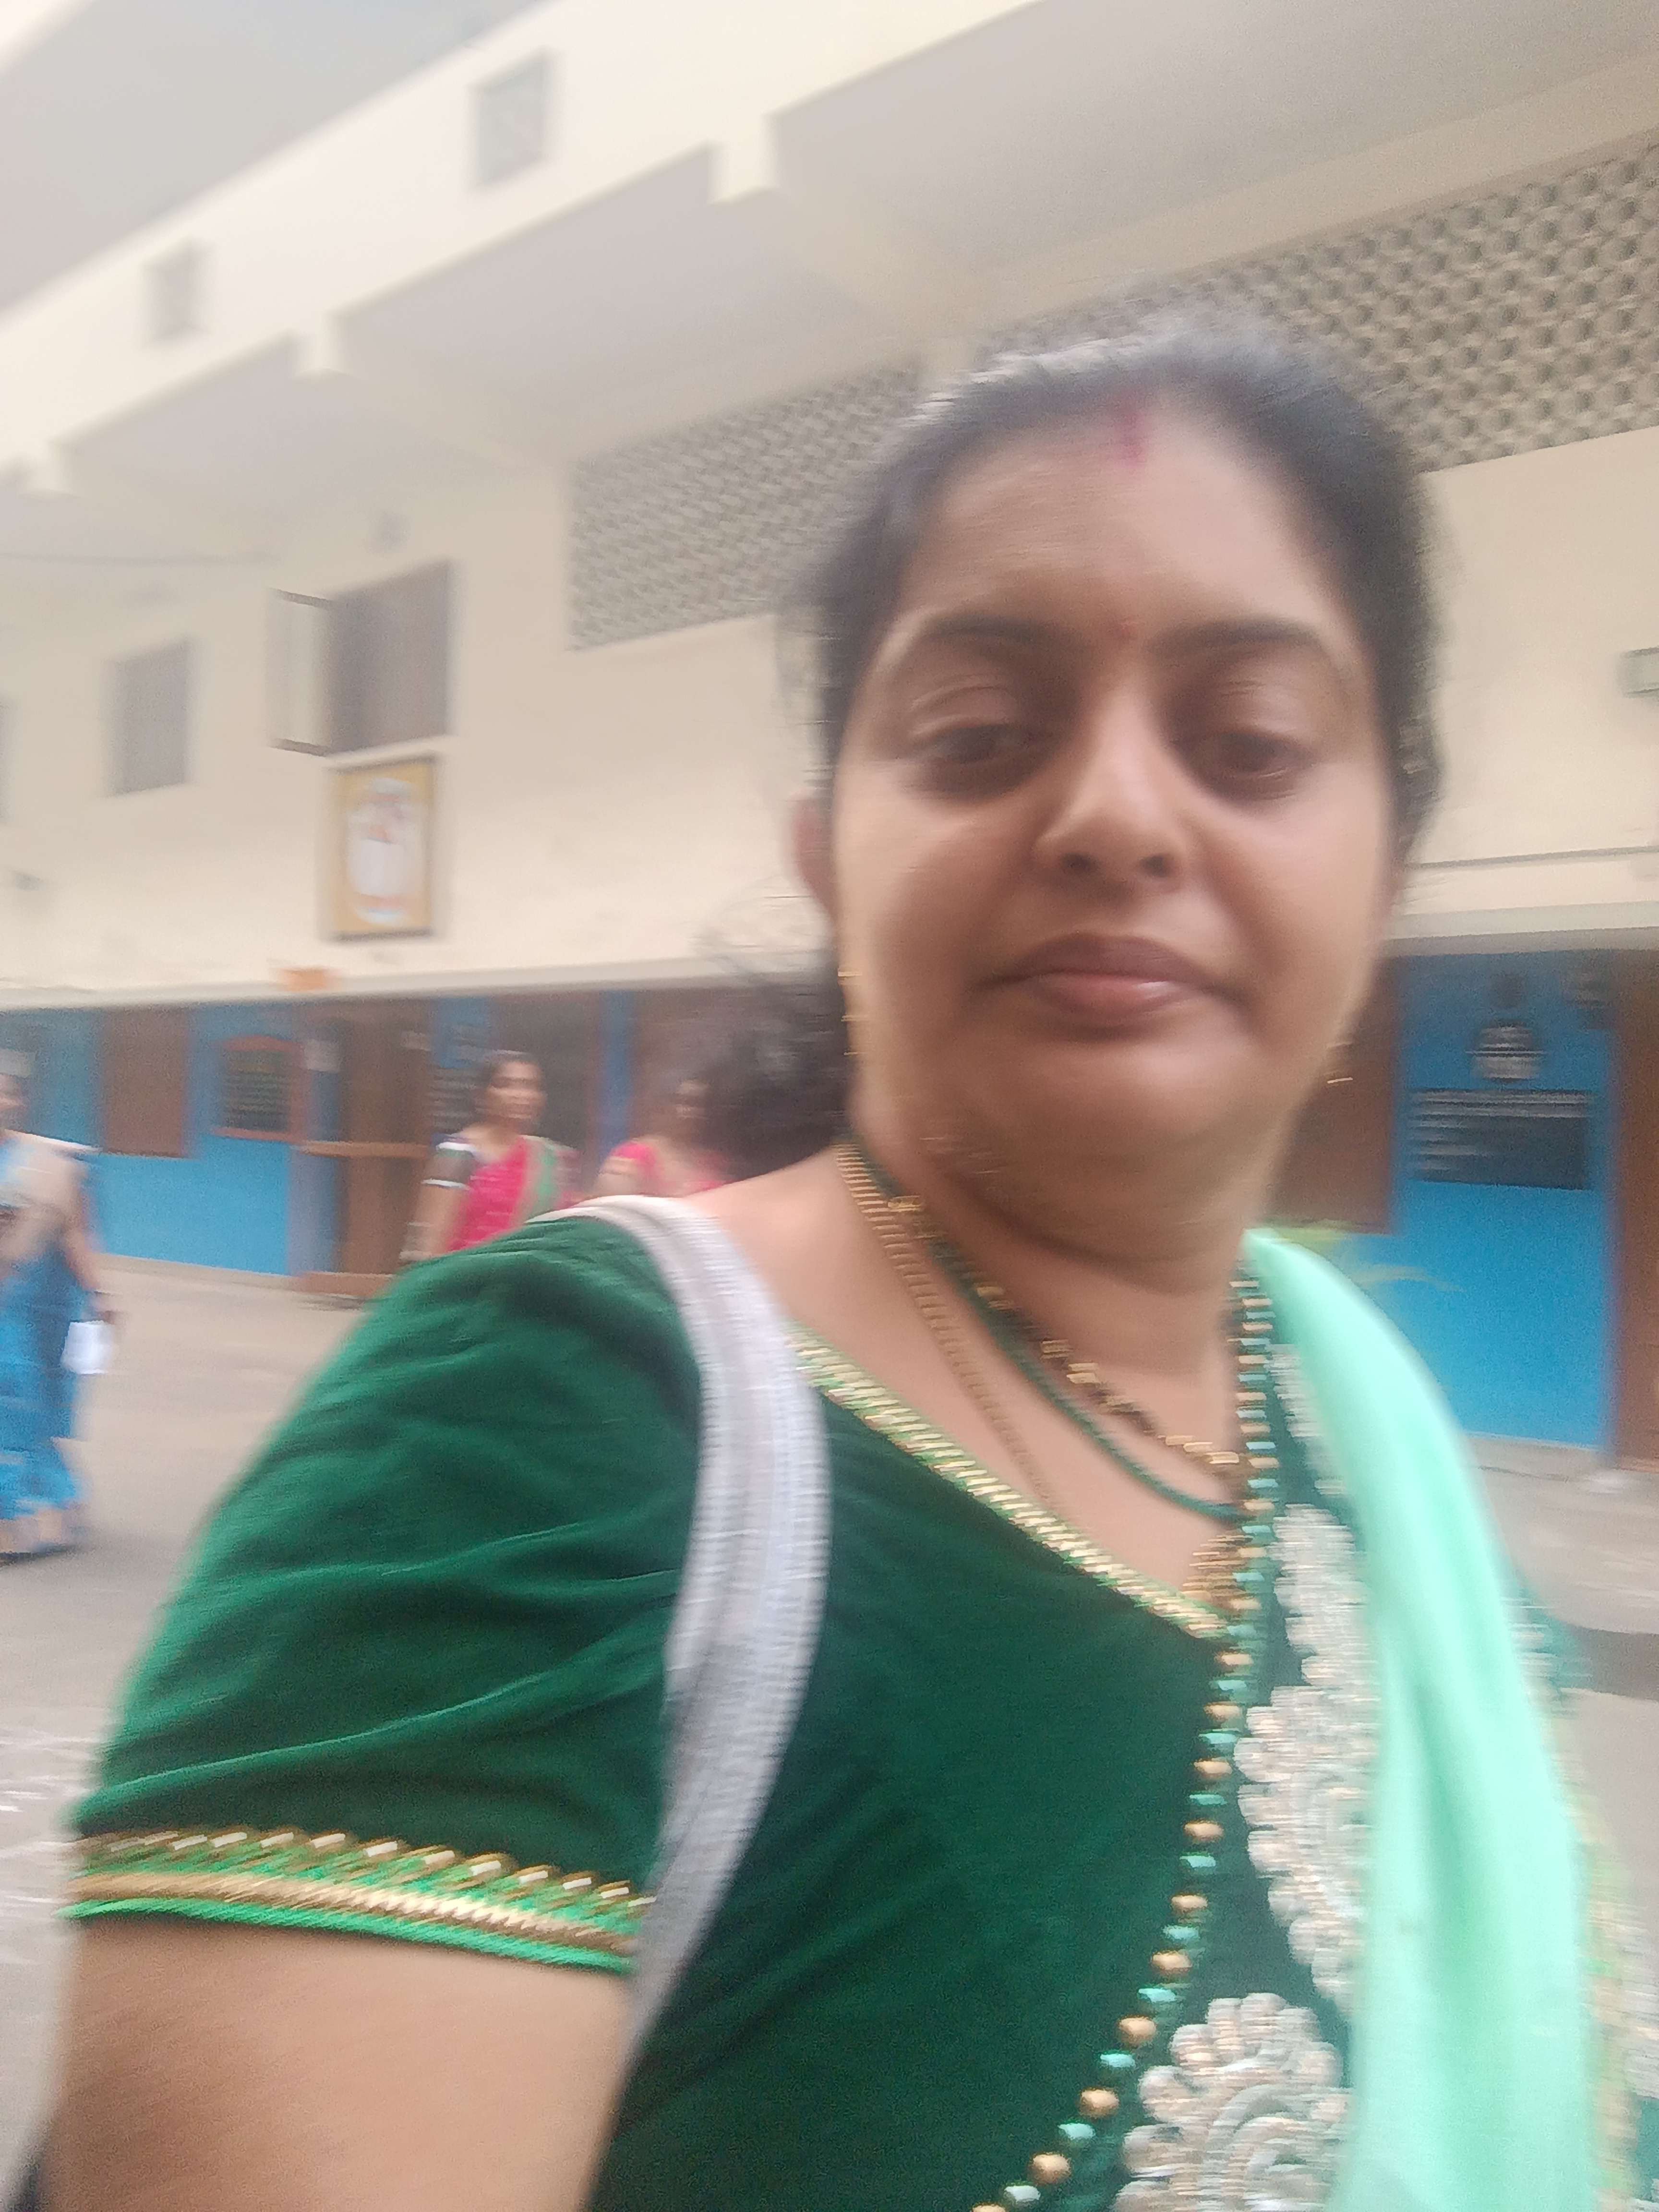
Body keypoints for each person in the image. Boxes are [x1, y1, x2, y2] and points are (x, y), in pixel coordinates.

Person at [39, 325, 1658, 2211]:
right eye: (978, 736)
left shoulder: (1360, 1424)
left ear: (1386, 863)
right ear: (826, 856)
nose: (1118, 816)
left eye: (1248, 745)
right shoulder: (535, 1429)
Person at [0, 1067, 113, 1562]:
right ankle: (60, 1505)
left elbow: (73, 1234)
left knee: (17, 1407)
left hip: (25, 1312)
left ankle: (16, 1525)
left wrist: (99, 1293)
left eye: (3, 1093)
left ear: (17, 1102)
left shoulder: (49, 1165)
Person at [399, 1050, 578, 1262]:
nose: (520, 1095)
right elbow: (429, 1244)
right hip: (466, 1276)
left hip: (530, 1276)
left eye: (530, 1086)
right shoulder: (459, 1153)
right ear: (481, 1095)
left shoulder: (551, 1157)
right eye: (505, 1085)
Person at [592, 1071, 728, 1197]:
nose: (693, 1112)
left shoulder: (713, 1161)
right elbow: (611, 1210)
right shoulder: (634, 1155)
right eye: (686, 1103)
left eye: (700, 1104)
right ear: (664, 1107)